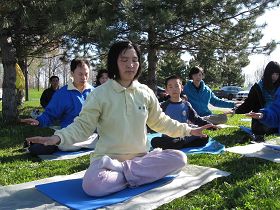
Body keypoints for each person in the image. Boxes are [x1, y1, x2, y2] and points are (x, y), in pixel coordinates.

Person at [26, 40, 213, 197]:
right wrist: (56, 138)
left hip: (140, 158)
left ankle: (127, 174)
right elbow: (82, 126)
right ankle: (136, 176)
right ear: (114, 63)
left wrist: (189, 130)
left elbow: (161, 121)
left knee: (179, 158)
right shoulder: (99, 94)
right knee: (92, 185)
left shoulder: (145, 92)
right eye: (124, 60)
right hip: (107, 162)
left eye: (134, 60)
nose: (130, 65)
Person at [21, 58, 95, 155]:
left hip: (91, 134)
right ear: (72, 73)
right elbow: (50, 113)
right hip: (69, 133)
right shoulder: (62, 94)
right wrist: (39, 121)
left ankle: (51, 143)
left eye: (86, 74)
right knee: (64, 144)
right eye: (80, 74)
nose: (84, 78)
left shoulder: (94, 92)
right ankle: (44, 144)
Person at [151, 75, 212, 150]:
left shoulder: (186, 104)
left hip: (184, 134)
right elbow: (155, 120)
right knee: (154, 141)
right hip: (169, 137)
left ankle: (179, 144)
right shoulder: (163, 106)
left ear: (181, 88)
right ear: (166, 90)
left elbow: (196, 119)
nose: (174, 89)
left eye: (176, 86)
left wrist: (210, 125)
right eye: (170, 87)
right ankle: (179, 143)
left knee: (204, 138)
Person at [230, 61, 280, 142]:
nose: (275, 77)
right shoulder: (257, 87)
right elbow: (248, 104)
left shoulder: (279, 88)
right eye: (272, 74)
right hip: (261, 121)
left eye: (277, 74)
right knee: (264, 128)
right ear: (267, 73)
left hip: (277, 120)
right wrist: (235, 110)